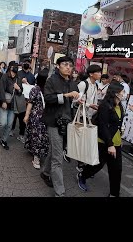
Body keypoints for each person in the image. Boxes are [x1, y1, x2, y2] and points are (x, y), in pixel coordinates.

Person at [77, 81, 125, 197]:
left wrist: (119, 138)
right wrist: (110, 144)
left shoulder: (120, 105)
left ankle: (114, 194)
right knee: (97, 165)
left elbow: (117, 124)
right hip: (105, 142)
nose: (124, 94)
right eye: (123, 92)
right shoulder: (105, 106)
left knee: (116, 170)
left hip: (116, 143)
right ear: (116, 93)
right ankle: (82, 176)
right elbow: (103, 126)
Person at [41, 56, 80, 197]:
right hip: (53, 122)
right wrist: (66, 95)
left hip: (67, 122)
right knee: (58, 158)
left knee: (55, 149)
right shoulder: (51, 80)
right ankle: (60, 193)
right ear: (58, 66)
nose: (68, 67)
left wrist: (81, 102)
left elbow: (73, 102)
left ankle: (45, 172)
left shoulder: (73, 83)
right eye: (65, 64)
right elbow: (48, 98)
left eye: (70, 65)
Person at [24, 69, 49, 170]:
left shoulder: (49, 89)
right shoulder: (35, 89)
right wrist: (26, 115)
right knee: (37, 136)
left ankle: (36, 152)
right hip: (36, 117)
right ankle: (36, 157)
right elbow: (30, 103)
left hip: (46, 117)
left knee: (43, 137)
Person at [0, 65, 24, 150]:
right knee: (2, 123)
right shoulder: (5, 76)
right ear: (9, 70)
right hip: (5, 102)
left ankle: (4, 140)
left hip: (13, 104)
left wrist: (18, 88)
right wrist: (3, 101)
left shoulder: (18, 78)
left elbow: (20, 92)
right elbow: (1, 89)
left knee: (9, 124)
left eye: (14, 72)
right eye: (11, 71)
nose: (13, 73)